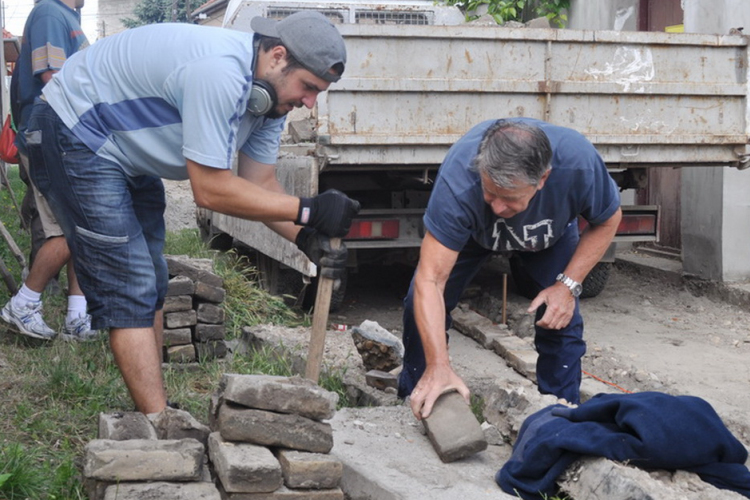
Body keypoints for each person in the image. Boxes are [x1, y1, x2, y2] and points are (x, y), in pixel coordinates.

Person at [24, 11, 360, 413]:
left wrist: (306, 240)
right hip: (74, 131)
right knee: (129, 279)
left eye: (318, 92)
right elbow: (211, 190)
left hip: (125, 153)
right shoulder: (219, 72)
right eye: (308, 87)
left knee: (152, 275)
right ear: (277, 56)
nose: (309, 102)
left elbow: (258, 186)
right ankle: (159, 425)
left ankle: (155, 408)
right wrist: (309, 210)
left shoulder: (269, 103)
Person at [399, 118, 622, 419]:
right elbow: (431, 281)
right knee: (418, 304)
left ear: (543, 178)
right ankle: (419, 395)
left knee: (561, 318)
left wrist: (567, 286)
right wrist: (439, 364)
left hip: (548, 235)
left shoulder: (578, 164)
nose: (498, 209)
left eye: (510, 199)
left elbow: (608, 220)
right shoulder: (459, 179)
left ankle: (560, 417)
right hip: (473, 234)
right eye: (490, 193)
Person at [1, 0, 96, 341]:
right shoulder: (50, 13)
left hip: (63, 134)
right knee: (66, 230)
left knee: (79, 228)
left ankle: (77, 317)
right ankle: (24, 303)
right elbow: (52, 76)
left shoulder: (67, 15)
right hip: (51, 135)